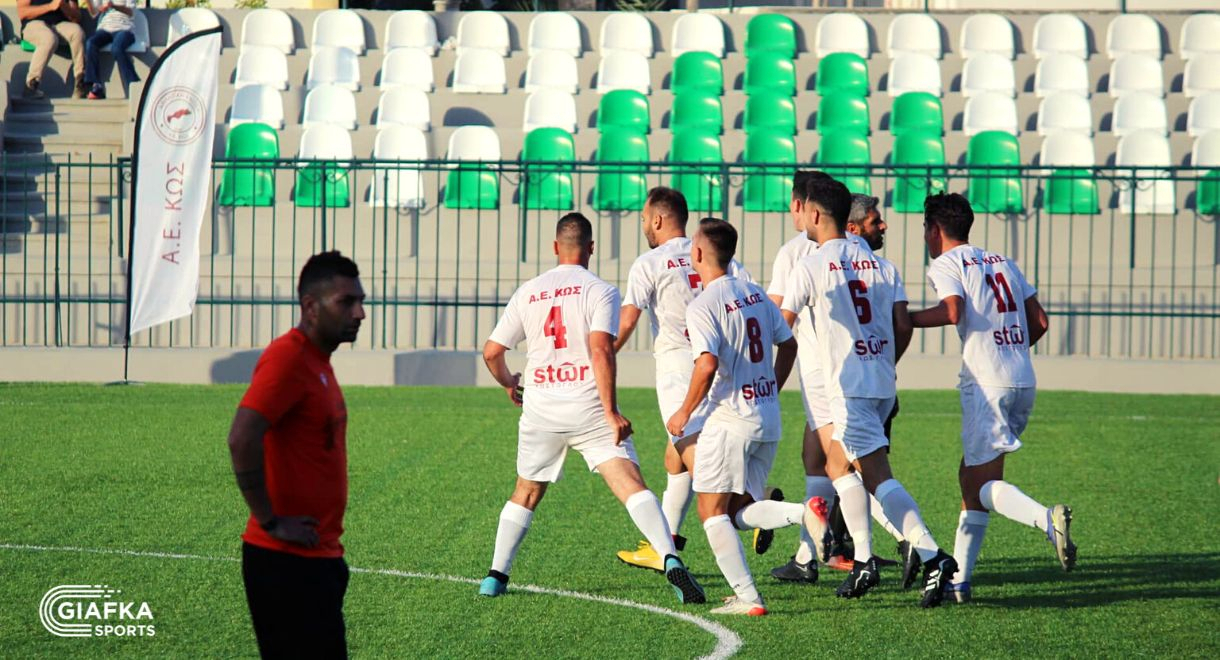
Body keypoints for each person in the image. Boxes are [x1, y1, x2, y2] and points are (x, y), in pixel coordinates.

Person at [479, 213, 704, 605]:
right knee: (630, 484)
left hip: (542, 406)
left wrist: (509, 382)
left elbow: (492, 352)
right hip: (588, 406)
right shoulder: (600, 290)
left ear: (555, 247)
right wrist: (611, 410)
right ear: (592, 248)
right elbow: (600, 349)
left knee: (526, 491)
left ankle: (495, 576)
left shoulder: (529, 291)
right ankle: (669, 556)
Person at [781, 174, 959, 608]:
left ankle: (933, 556)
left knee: (877, 476)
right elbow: (902, 324)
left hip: (850, 387)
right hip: (881, 380)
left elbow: (780, 327)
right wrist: (883, 361)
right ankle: (863, 561)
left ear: (816, 214)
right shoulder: (883, 266)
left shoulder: (811, 265)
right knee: (838, 465)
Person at [910, 193, 1074, 604]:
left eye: (925, 229)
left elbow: (951, 310)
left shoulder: (946, 263)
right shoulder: (1003, 261)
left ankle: (1046, 519)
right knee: (973, 478)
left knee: (981, 483)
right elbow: (1040, 321)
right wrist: (1010, 351)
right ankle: (960, 582)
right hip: (1022, 378)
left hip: (986, 383)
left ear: (934, 230)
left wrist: (904, 319)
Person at [666, 218, 821, 616]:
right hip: (767, 418)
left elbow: (706, 364)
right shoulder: (755, 294)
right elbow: (789, 345)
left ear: (698, 253)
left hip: (730, 420)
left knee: (711, 511)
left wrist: (684, 411)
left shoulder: (703, 305)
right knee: (738, 510)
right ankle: (802, 513)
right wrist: (771, 385)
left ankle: (749, 597)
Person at [767, 177, 907, 584]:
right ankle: (808, 554)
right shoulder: (867, 256)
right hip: (866, 370)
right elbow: (899, 321)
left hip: (828, 372)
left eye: (796, 205)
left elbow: (778, 318)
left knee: (846, 464)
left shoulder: (798, 255)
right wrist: (886, 360)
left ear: (808, 209)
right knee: (822, 459)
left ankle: (909, 540)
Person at [226, 251, 366, 658]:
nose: (360, 313)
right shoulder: (288, 357)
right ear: (310, 306)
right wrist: (270, 520)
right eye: (346, 302)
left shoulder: (317, 361)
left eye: (361, 301)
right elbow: (242, 437)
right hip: (286, 563)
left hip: (318, 556)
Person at [612, 189, 759, 573]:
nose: (644, 225)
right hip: (722, 366)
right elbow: (750, 299)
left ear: (658, 219)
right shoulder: (715, 255)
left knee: (700, 467)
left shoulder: (649, 262)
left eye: (644, 219)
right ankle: (665, 543)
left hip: (680, 371)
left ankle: (752, 506)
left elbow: (627, 320)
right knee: (673, 457)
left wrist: (601, 356)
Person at [17, 0, 87, 99]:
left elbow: (77, 18)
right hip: (34, 24)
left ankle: (80, 82)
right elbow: (23, 13)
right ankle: (31, 84)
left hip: (59, 24)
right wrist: (50, 6)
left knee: (77, 32)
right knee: (49, 38)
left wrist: (63, 5)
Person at [82, 0, 139, 100]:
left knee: (117, 48)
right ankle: (96, 86)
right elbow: (94, 13)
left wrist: (114, 6)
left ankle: (133, 85)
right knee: (91, 43)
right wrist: (88, 2)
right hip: (105, 29)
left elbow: (131, 12)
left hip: (124, 29)